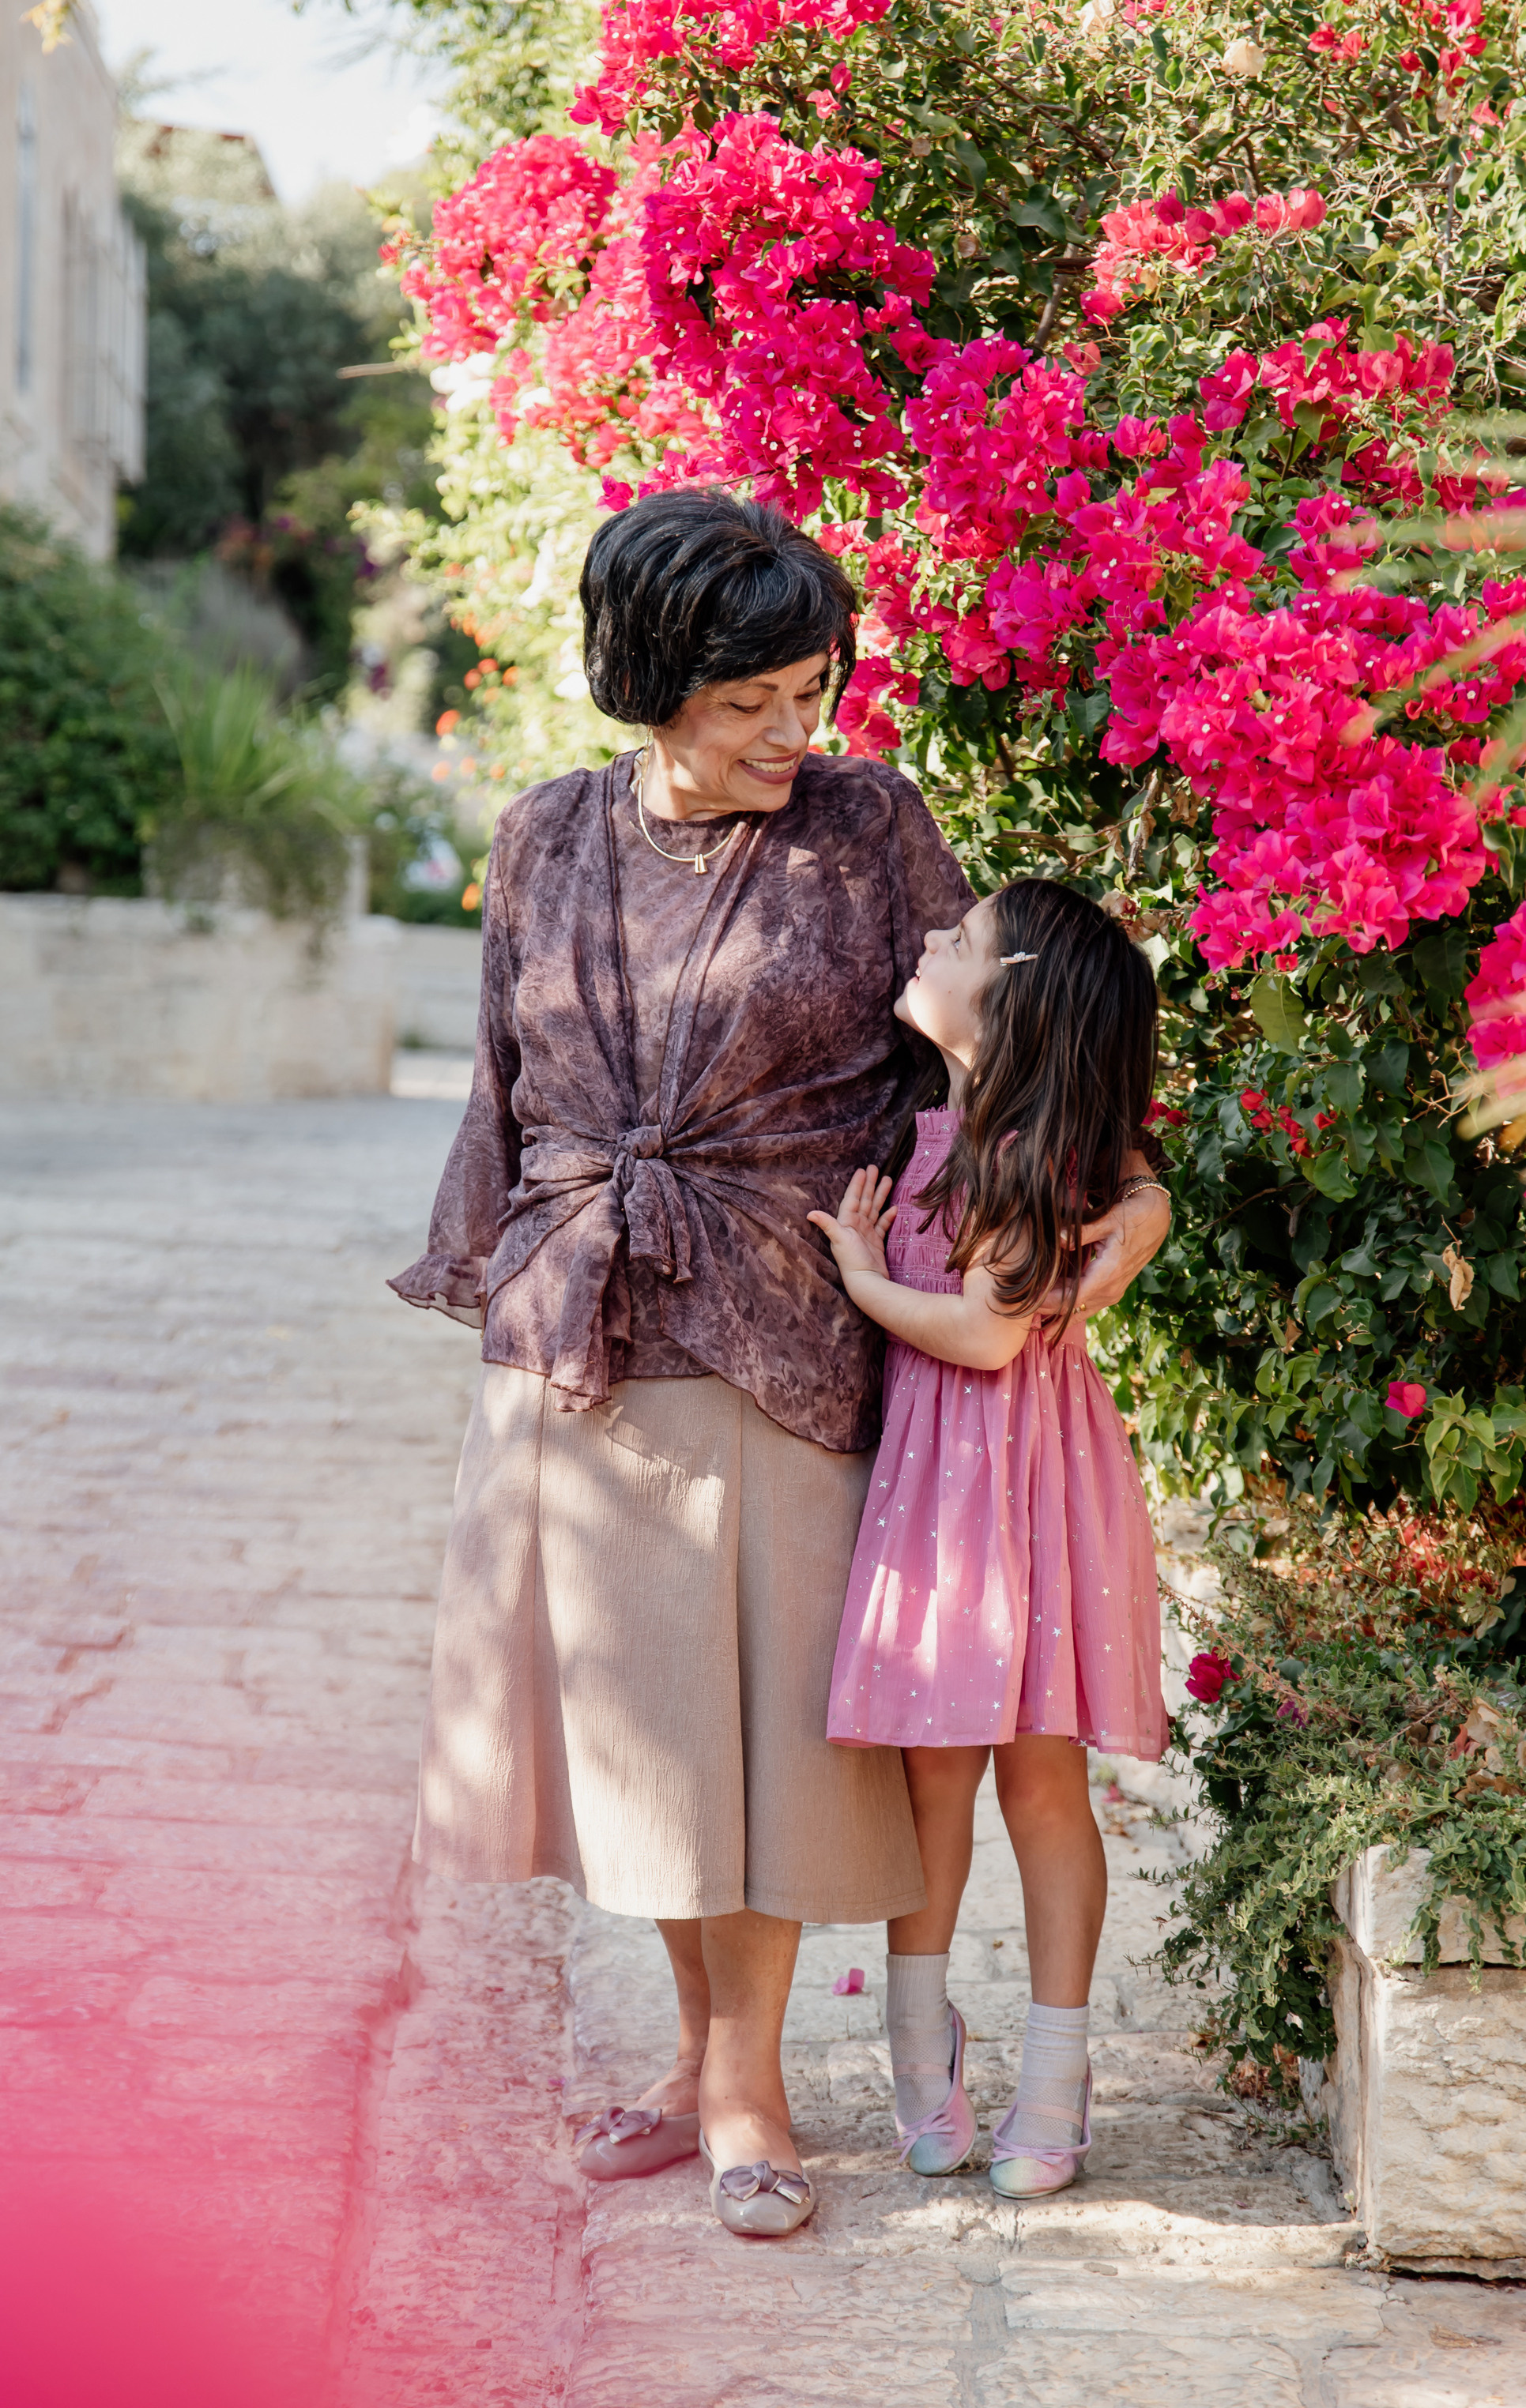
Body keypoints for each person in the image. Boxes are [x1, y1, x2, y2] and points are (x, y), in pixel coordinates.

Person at [390, 486, 1173, 2241]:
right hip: (593, 1317)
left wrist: (1115, 1190)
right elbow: (500, 1091)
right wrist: (499, 1281)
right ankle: (700, 2060)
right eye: (748, 702)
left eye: (809, 692)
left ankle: (748, 2079)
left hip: (794, 1319)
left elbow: (1006, 1039)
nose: (789, 733)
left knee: (767, 1732)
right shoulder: (542, 839)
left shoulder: (867, 824)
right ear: (650, 678)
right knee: (658, 1729)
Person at [808, 877, 1168, 2202]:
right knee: (935, 1778)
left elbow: (983, 1333)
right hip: (954, 1490)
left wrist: (859, 1279)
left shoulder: (1016, 1153)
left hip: (1012, 1494)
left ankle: (1053, 2076)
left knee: (1029, 1779)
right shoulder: (975, 1127)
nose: (924, 943)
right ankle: (926, 2045)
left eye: (954, 943)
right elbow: (1133, 1190)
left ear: (1009, 997)